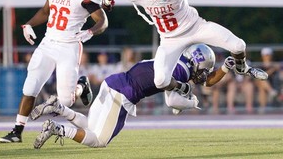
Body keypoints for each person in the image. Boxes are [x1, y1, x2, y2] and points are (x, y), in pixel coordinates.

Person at [102, 0, 268, 95]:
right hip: (170, 39)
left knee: (239, 45)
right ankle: (183, 87)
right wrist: (107, 0)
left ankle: (241, 67)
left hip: (195, 26)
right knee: (160, 81)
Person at [30, 44, 236, 148]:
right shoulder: (181, 71)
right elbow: (172, 100)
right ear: (197, 62)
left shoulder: (175, 60)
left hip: (113, 82)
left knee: (91, 127)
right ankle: (56, 128)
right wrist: (192, 102)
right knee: (99, 140)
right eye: (204, 68)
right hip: (123, 95)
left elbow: (204, 81)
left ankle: (59, 108)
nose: (203, 73)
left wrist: (225, 69)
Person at [0, 0, 108, 143]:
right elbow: (45, 11)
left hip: (69, 46)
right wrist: (28, 24)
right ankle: (17, 131)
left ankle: (81, 86)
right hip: (48, 43)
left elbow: (102, 21)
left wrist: (89, 32)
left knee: (65, 101)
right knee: (30, 86)